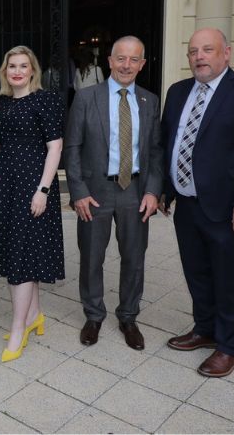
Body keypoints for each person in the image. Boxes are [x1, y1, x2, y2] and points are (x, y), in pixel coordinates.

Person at [159, 28, 234, 377]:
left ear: (227, 52)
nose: (199, 56)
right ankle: (205, 329)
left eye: (208, 49)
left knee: (229, 278)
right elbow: (170, 142)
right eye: (193, 51)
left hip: (229, 207)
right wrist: (167, 188)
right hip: (187, 202)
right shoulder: (178, 91)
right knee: (196, 272)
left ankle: (230, 347)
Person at [64, 36, 163, 350]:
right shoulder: (86, 97)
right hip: (96, 192)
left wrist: (152, 191)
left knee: (134, 258)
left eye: (134, 60)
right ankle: (93, 315)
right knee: (91, 257)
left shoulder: (150, 101)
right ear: (109, 61)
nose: (126, 65)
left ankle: (128, 317)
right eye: (121, 58)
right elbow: (73, 147)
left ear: (142, 64)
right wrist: (77, 192)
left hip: (135, 190)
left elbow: (156, 152)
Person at [0, 45, 65, 362]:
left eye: (23, 65)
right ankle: (35, 316)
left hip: (32, 188)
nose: (18, 71)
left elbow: (55, 146)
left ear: (32, 70)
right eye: (12, 66)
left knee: (22, 258)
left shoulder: (45, 100)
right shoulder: (3, 103)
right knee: (16, 253)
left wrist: (44, 190)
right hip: (7, 188)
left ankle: (19, 328)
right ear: (5, 72)